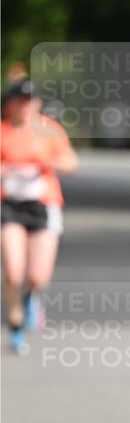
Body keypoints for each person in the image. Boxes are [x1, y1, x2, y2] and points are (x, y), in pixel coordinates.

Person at [1, 78, 78, 355]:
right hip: (9, 205)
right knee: (12, 270)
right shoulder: (3, 131)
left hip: (43, 206)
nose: (26, 106)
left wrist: (49, 162)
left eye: (31, 101)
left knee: (38, 277)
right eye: (21, 100)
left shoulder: (50, 130)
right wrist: (8, 169)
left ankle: (32, 298)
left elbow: (71, 163)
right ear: (10, 104)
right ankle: (16, 327)